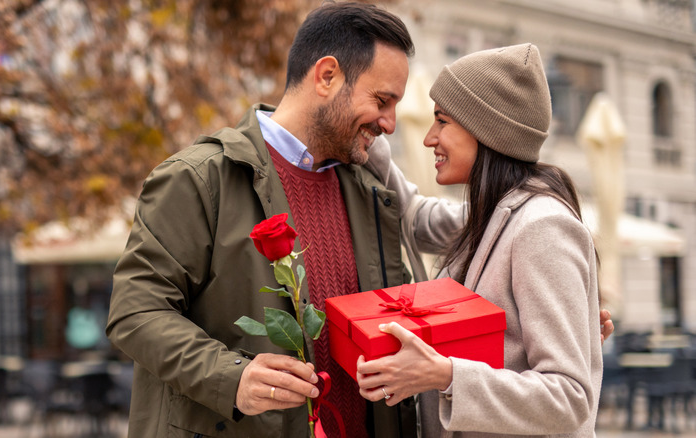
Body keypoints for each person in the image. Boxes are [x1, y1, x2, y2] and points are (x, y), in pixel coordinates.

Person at [105, 2, 417, 437]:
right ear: (326, 77)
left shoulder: (372, 195)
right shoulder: (198, 178)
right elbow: (135, 312)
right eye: (382, 101)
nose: (390, 123)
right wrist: (233, 378)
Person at [356, 43, 604, 436]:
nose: (429, 138)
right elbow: (414, 216)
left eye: (442, 121)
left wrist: (445, 374)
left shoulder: (541, 227)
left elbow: (569, 397)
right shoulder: (492, 217)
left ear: (486, 129)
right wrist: (363, 125)